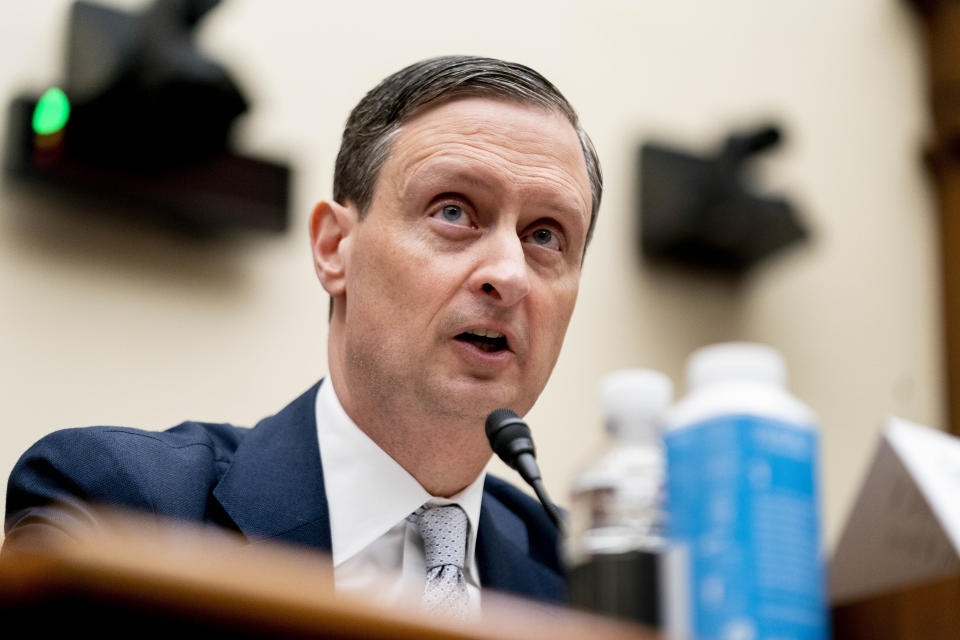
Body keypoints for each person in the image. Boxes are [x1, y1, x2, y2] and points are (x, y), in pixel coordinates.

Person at [4, 55, 602, 615]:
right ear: (334, 248)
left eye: (545, 236)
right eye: (453, 211)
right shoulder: (123, 507)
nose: (508, 274)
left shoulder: (584, 578)